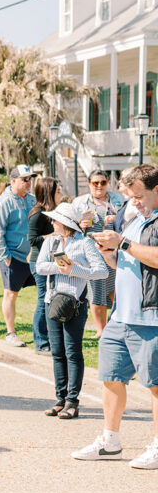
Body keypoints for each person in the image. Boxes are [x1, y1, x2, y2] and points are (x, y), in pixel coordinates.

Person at [73, 164, 158, 468]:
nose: (133, 202)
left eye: (138, 196)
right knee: (110, 376)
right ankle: (110, 441)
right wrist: (109, 252)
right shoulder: (136, 221)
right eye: (130, 197)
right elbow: (124, 260)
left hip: (151, 317)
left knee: (155, 384)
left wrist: (122, 243)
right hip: (121, 315)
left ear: (156, 190)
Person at [35, 202, 107, 420]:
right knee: (57, 352)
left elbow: (101, 271)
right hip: (53, 301)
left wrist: (74, 268)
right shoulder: (51, 243)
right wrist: (60, 267)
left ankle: (73, 401)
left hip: (75, 303)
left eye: (55, 220)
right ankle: (60, 398)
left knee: (73, 352)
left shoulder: (85, 243)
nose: (52, 222)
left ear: (65, 223)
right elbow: (39, 267)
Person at [0, 165, 38, 347]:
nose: (28, 183)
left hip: (32, 256)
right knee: (11, 294)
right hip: (13, 256)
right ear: (13, 181)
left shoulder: (33, 200)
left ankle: (43, 332)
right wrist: (5, 256)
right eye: (24, 179)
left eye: (30, 179)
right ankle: (11, 333)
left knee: (44, 292)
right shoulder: (4, 202)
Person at [72, 170, 124, 336]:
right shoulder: (79, 202)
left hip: (113, 251)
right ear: (89, 184)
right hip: (91, 253)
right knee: (96, 292)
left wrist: (115, 219)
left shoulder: (118, 199)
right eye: (95, 183)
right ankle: (101, 331)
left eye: (103, 182)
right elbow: (71, 228)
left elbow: (127, 221)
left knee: (117, 289)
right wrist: (81, 225)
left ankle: (118, 326)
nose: (100, 186)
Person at [27, 177, 60, 354]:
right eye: (57, 190)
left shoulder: (54, 212)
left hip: (52, 261)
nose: (60, 193)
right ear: (49, 192)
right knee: (43, 299)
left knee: (51, 298)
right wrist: (53, 235)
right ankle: (40, 342)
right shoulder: (38, 213)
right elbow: (32, 240)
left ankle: (51, 338)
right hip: (39, 262)